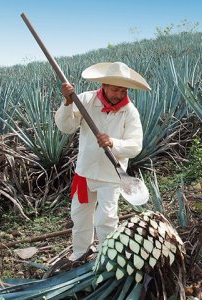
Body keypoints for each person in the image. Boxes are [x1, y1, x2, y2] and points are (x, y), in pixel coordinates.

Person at [54, 61, 151, 260]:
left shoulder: (130, 111)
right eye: (115, 89)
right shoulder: (85, 100)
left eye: (123, 90)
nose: (119, 94)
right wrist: (67, 102)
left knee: (106, 219)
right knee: (80, 217)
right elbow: (66, 126)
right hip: (85, 172)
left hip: (111, 175)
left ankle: (108, 258)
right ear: (104, 86)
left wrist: (113, 143)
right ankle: (80, 254)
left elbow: (135, 146)